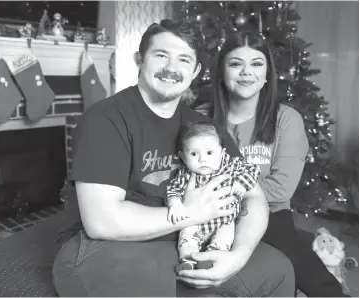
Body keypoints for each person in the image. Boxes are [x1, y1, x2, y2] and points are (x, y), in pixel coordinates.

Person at [52, 18, 295, 297]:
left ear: (195, 71)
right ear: (139, 60)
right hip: (104, 244)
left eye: (183, 59)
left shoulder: (203, 128)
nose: (171, 68)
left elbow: (254, 197)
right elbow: (102, 221)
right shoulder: (105, 120)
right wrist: (193, 213)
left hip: (184, 238)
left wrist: (237, 255)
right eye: (161, 55)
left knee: (278, 270)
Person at [210, 30, 346, 297]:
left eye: (256, 64)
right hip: (210, 214)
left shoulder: (286, 119)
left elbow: (281, 189)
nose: (246, 72)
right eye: (236, 63)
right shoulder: (201, 119)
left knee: (293, 254)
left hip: (270, 214)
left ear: (267, 75)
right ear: (222, 72)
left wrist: (224, 190)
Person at [165, 121, 260, 273]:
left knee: (224, 239)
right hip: (194, 220)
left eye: (209, 153)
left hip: (224, 220)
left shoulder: (230, 165)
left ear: (222, 153)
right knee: (186, 237)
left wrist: (241, 183)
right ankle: (187, 261)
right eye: (194, 154)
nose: (203, 159)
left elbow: (253, 169)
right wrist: (175, 204)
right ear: (182, 157)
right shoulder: (185, 173)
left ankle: (210, 259)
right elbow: (173, 190)